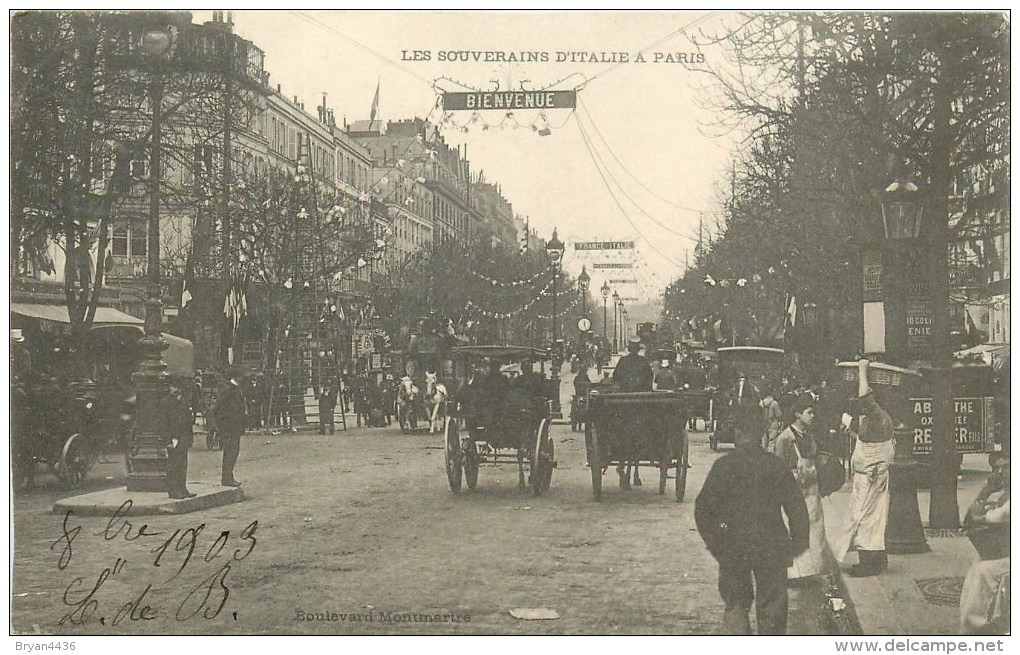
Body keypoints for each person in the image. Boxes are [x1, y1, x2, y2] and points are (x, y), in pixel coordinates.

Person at [695, 403, 810, 635]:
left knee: (735, 603)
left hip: (733, 546)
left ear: (737, 432)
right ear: (762, 433)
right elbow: (798, 510)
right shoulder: (776, 466)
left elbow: (703, 510)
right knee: (773, 606)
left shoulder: (724, 466)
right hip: (772, 546)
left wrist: (717, 544)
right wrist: (794, 546)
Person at [833, 358, 895, 577]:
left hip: (871, 476)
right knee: (869, 518)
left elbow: (864, 399)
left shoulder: (878, 416)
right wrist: (848, 431)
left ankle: (870, 563)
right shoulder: (872, 419)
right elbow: (863, 436)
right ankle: (875, 560)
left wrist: (861, 369)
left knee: (866, 518)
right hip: (867, 476)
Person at [772, 394, 833, 581]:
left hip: (812, 491)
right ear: (798, 414)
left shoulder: (809, 436)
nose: (813, 416)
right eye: (809, 413)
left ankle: (809, 571)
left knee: (815, 530)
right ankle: (793, 573)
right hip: (795, 491)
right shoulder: (785, 438)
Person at [215, 366, 247, 487]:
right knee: (230, 452)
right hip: (230, 428)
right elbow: (220, 409)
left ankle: (228, 476)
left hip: (234, 428)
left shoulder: (234, 389)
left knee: (232, 452)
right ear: (237, 377)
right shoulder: (229, 390)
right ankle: (227, 478)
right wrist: (224, 425)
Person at [165, 379, 196, 499]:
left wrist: (190, 437)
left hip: (183, 437)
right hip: (174, 437)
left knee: (183, 464)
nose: (173, 389)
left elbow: (188, 422)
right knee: (174, 465)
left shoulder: (183, 401)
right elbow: (164, 423)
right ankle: (173, 491)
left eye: (175, 387)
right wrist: (168, 440)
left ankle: (182, 488)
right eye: (172, 387)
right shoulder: (166, 402)